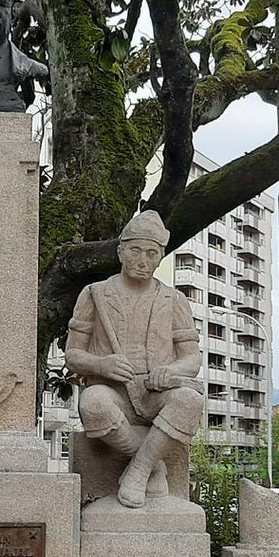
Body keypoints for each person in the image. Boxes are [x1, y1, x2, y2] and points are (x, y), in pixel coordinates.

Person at [64, 211, 204, 508]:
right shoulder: (95, 294)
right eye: (135, 251)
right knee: (93, 403)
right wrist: (101, 365)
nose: (143, 260)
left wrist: (170, 371)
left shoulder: (174, 299)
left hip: (157, 394)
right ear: (120, 252)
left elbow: (192, 357)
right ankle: (154, 463)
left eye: (152, 253)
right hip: (114, 393)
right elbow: (73, 355)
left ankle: (139, 471)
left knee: (189, 401)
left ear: (160, 257)